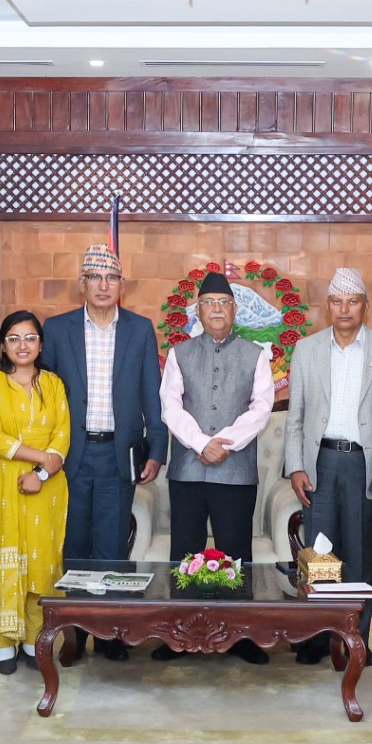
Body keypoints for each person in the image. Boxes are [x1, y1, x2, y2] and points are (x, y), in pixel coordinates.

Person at [41, 243, 167, 662]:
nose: (103, 285)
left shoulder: (138, 329)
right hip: (71, 455)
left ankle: (111, 634)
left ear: (121, 285)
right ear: (82, 283)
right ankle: (75, 634)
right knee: (74, 545)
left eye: (111, 277)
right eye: (94, 277)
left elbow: (152, 392)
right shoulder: (57, 329)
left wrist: (157, 449)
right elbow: (46, 397)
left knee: (112, 547)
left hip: (118, 454)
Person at [157, 269, 274, 664]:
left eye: (224, 303)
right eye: (209, 303)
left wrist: (225, 442)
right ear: (199, 311)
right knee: (184, 553)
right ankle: (178, 635)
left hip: (236, 472)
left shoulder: (256, 355)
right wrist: (200, 443)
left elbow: (261, 408)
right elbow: (170, 406)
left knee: (236, 553)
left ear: (235, 309)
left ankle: (240, 636)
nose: (217, 309)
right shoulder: (180, 354)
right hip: (188, 471)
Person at [284, 268, 372, 667]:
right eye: (337, 301)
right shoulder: (307, 349)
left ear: (366, 305)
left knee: (360, 554)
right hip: (321, 463)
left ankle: (355, 640)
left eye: (353, 301)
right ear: (327, 306)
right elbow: (295, 416)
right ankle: (317, 637)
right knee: (320, 554)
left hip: (366, 464)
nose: (345, 309)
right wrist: (296, 466)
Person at [0, 311, 72, 674]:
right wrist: (42, 458)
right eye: (13, 338)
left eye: (30, 338)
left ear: (40, 345)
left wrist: (43, 472)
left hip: (45, 487)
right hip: (3, 484)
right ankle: (3, 644)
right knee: (4, 561)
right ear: (3, 345)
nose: (22, 345)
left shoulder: (53, 383)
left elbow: (63, 433)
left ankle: (33, 640)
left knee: (40, 562)